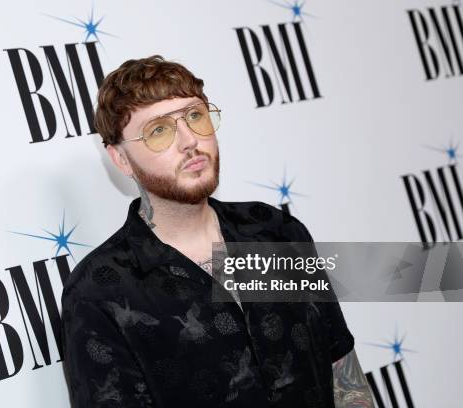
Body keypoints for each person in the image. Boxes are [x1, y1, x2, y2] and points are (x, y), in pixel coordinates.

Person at [60, 55, 374, 408]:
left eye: (195, 115)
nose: (190, 140)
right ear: (120, 159)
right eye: (159, 131)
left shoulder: (275, 231)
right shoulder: (99, 292)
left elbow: (342, 371)